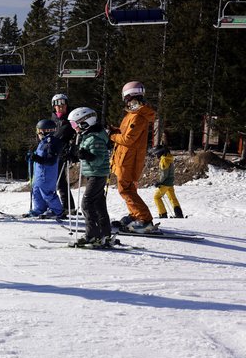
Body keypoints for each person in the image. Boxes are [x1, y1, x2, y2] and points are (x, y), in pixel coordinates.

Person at [109, 81, 157, 233]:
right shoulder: (132, 114)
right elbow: (126, 133)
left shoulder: (137, 116)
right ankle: (136, 215)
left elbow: (128, 139)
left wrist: (111, 135)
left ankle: (144, 219)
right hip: (125, 157)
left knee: (126, 190)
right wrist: (114, 130)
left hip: (129, 159)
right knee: (128, 189)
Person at [68, 107, 113, 246]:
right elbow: (85, 153)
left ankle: (93, 235)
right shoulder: (89, 136)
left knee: (86, 204)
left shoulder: (95, 138)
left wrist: (85, 155)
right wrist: (75, 155)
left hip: (97, 175)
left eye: (75, 124)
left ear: (85, 122)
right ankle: (105, 233)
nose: (73, 128)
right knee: (98, 203)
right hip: (95, 174)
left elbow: (98, 159)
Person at [24, 119, 63, 218]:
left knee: (47, 193)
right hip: (39, 173)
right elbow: (40, 156)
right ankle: (39, 209)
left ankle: (57, 211)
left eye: (38, 131)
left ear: (44, 131)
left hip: (47, 174)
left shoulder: (52, 143)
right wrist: (32, 157)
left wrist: (37, 158)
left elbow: (51, 160)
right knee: (36, 191)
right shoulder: (43, 142)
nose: (38, 133)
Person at [51, 93, 77, 216]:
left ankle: (68, 207)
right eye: (58, 105)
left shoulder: (70, 120)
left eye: (63, 104)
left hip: (63, 153)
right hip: (52, 153)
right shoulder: (53, 120)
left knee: (60, 181)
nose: (60, 107)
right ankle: (63, 206)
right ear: (54, 106)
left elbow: (76, 136)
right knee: (55, 180)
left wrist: (71, 151)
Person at [153, 145, 184, 219]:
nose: (156, 155)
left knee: (156, 197)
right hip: (170, 182)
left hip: (165, 183)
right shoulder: (169, 158)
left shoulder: (164, 160)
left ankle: (162, 214)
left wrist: (159, 182)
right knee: (172, 198)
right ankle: (179, 214)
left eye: (156, 153)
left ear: (160, 153)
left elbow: (164, 174)